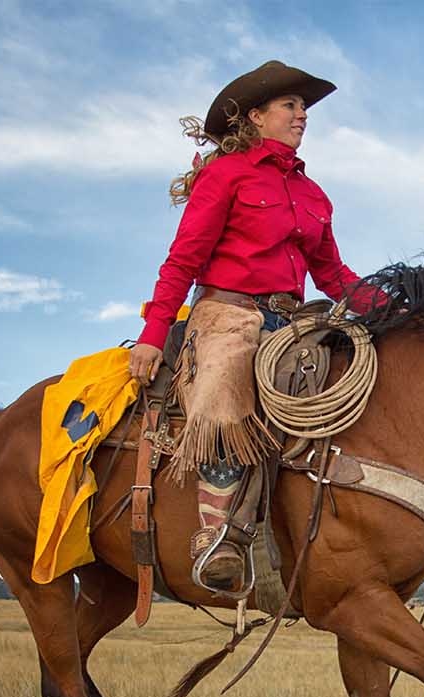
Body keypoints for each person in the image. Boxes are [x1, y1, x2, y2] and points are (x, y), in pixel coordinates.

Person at [128, 60, 384, 592]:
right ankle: (216, 536)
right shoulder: (226, 175)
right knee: (225, 389)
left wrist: (392, 310)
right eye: (290, 106)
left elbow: (333, 274)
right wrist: (154, 335)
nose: (301, 115)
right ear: (255, 116)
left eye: (303, 107)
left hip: (291, 320)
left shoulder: (313, 195)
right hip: (229, 314)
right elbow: (182, 260)